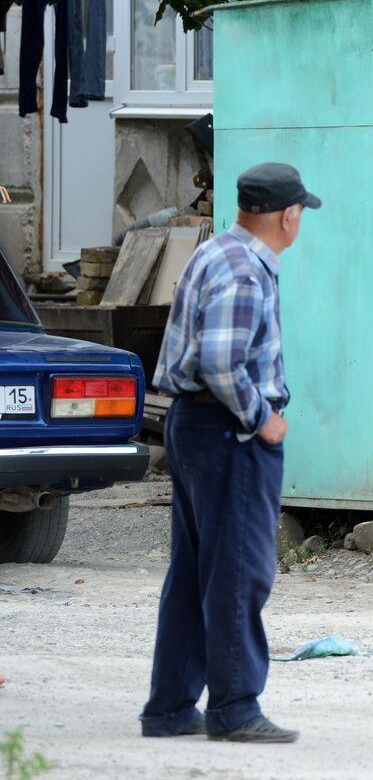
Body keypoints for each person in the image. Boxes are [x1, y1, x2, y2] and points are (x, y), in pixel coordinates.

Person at [139, 162, 319, 743]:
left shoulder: (216, 250)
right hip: (227, 432)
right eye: (300, 213)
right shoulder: (247, 271)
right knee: (239, 570)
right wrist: (262, 419)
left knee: (195, 570)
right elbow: (220, 361)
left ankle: (170, 707)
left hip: (192, 426)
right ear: (287, 216)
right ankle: (236, 708)